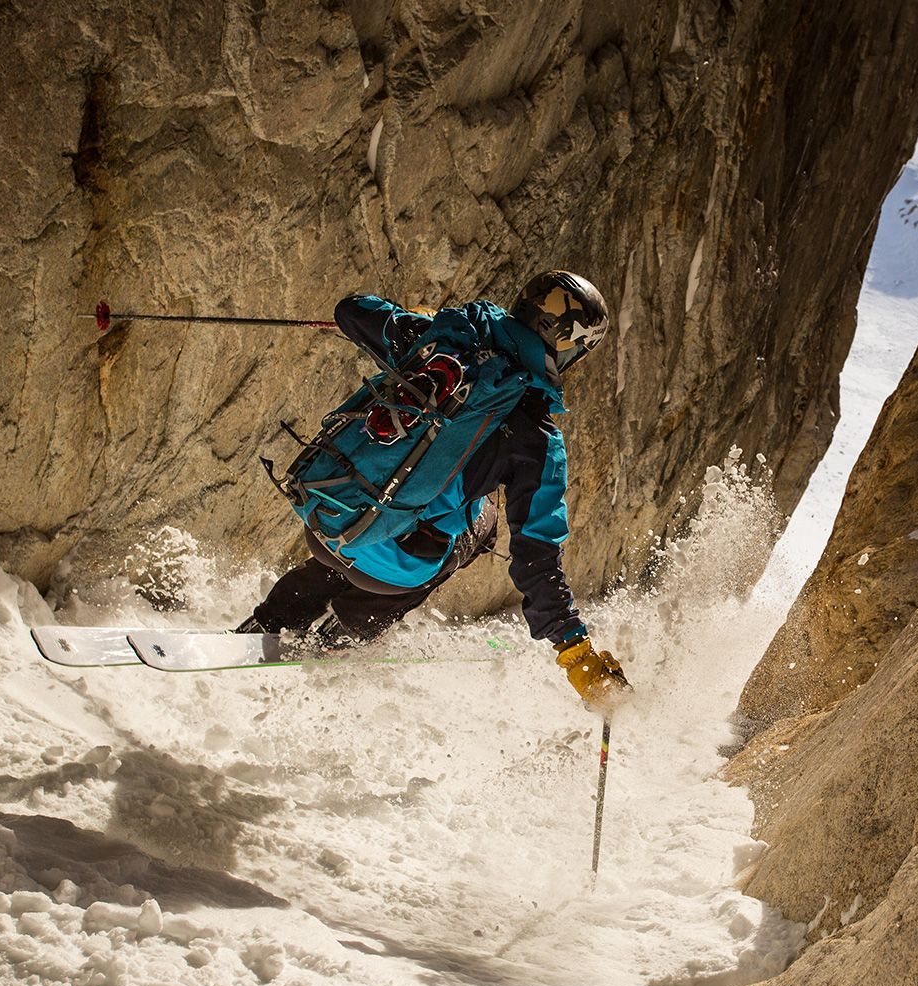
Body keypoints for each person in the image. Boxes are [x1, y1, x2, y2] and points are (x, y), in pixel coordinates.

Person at [238, 270, 631, 708]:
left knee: (375, 523)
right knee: (480, 524)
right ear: (568, 347)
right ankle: (344, 633)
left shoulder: (439, 339)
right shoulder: (536, 438)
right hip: (389, 572)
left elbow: (351, 310)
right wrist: (575, 651)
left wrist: (421, 322)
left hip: (324, 519)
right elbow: (536, 558)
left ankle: (272, 619)